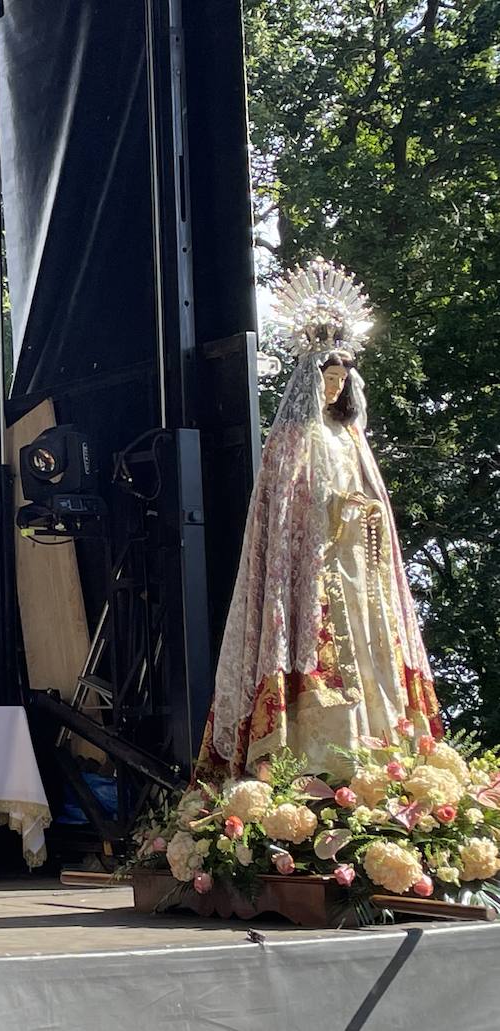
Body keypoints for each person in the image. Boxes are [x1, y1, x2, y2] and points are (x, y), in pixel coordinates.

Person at [197, 260, 441, 779]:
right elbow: (285, 511)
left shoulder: (351, 437)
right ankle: (312, 762)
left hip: (358, 565)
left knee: (371, 652)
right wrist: (335, 509)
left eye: (342, 380)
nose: (335, 388)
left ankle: (379, 758)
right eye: (329, 378)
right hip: (311, 568)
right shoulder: (292, 440)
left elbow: (368, 492)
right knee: (324, 655)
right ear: (312, 377)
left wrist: (368, 509)